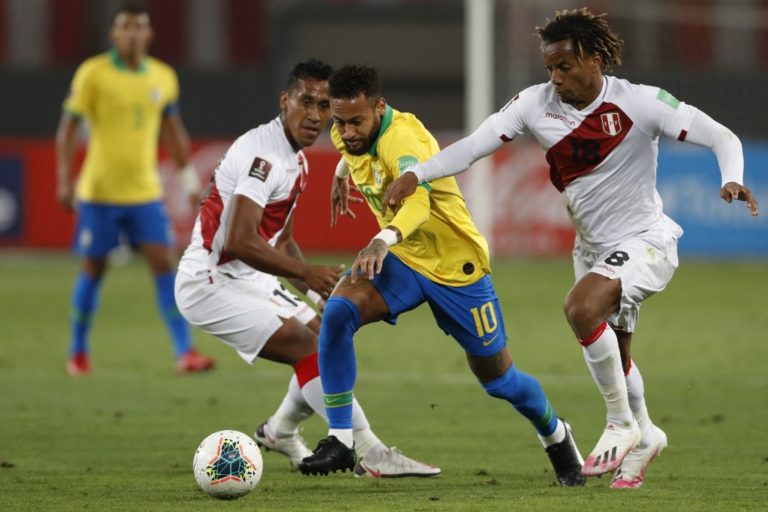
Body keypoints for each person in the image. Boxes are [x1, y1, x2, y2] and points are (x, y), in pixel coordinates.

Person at [381, 8, 759, 489]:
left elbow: (720, 135)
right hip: (593, 250)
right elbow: (475, 146)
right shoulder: (535, 104)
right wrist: (418, 173)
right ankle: (645, 434)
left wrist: (732, 179)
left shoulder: (640, 103)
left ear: (596, 59)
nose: (555, 79)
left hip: (646, 241)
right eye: (549, 69)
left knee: (580, 308)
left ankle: (620, 423)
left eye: (564, 67)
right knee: (618, 357)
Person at [296, 64, 586, 487]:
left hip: (455, 269)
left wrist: (382, 239)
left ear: (380, 107)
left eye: (356, 121)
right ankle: (341, 438)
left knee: (500, 380)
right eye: (339, 121)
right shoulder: (346, 131)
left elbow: (419, 204)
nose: (347, 132)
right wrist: (341, 175)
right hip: (403, 259)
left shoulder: (404, 140)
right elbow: (351, 151)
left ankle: (557, 434)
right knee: (338, 313)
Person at [174, 59, 439, 478]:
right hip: (209, 281)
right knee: (309, 349)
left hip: (246, 276)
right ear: (285, 101)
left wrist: (317, 290)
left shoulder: (295, 161)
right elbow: (239, 241)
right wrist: (310, 274)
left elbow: (281, 243)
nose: (315, 116)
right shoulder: (265, 156)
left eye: (323, 107)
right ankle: (370, 451)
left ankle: (280, 430)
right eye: (306, 102)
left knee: (324, 332)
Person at [55, 1, 215, 376]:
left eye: (138, 26)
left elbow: (173, 132)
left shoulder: (161, 76)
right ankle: (78, 352)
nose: (131, 33)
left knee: (164, 265)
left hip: (144, 192)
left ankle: (185, 351)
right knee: (93, 269)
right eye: (124, 26)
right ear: (114, 33)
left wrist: (190, 179)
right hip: (99, 192)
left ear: (149, 33)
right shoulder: (92, 74)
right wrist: (64, 179)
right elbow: (67, 129)